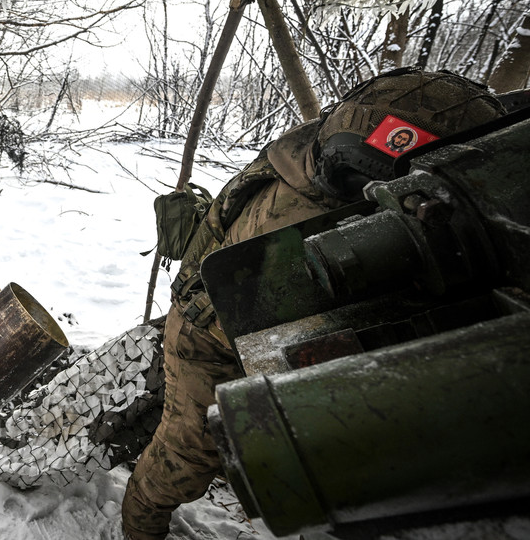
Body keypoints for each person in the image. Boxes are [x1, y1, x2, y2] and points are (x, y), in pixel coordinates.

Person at [121, 67, 509, 539]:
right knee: (187, 455)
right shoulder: (301, 214)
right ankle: (140, 524)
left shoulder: (319, 149)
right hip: (213, 335)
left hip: (260, 325)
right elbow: (265, 317)